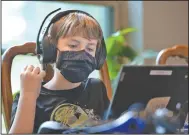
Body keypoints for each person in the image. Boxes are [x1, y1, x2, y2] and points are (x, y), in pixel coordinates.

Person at [9, 10, 110, 134]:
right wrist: (28, 96)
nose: (83, 54)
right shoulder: (32, 96)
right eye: (73, 45)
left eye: (90, 48)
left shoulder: (96, 88)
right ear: (50, 50)